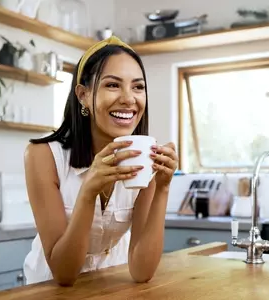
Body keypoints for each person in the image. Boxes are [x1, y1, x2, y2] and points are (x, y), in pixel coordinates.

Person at [22, 36, 178, 286]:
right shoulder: (42, 156)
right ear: (83, 95)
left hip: (109, 285)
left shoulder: (144, 159)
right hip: (48, 290)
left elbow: (141, 271)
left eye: (138, 87)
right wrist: (88, 191)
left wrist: (162, 187)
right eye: (113, 85)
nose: (129, 99)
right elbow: (63, 273)